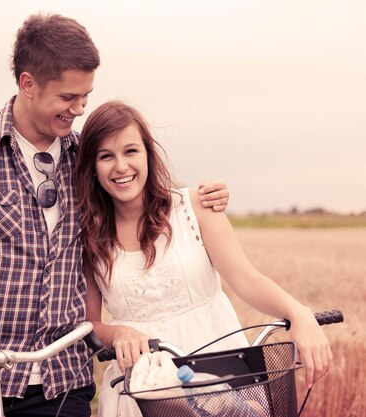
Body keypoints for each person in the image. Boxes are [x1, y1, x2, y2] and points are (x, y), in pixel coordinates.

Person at [0, 14, 229, 417]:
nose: (79, 109)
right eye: (68, 97)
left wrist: (200, 198)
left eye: (85, 96)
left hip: (61, 383)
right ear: (28, 84)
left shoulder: (86, 158)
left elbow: (139, 198)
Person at [76, 100, 333, 417]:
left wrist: (299, 313)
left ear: (147, 154)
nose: (121, 166)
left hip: (218, 370)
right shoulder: (90, 234)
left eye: (131, 151)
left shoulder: (194, 208)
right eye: (106, 156)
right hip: (145, 384)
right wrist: (118, 333)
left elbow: (246, 279)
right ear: (93, 166)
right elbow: (91, 323)